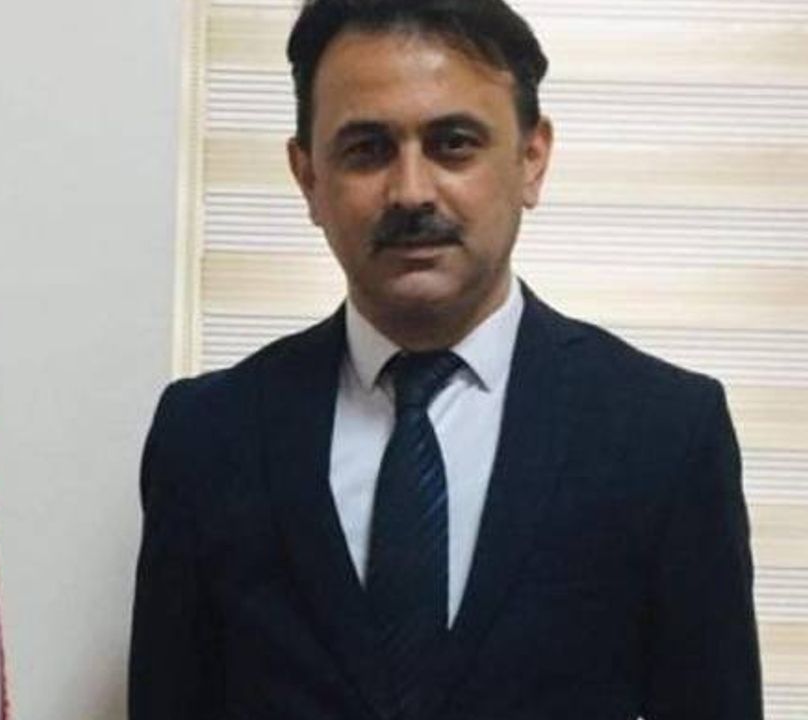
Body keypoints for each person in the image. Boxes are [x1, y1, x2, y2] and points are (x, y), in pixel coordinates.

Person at [128, 0, 763, 718]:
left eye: (453, 144)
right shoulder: (206, 436)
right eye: (366, 149)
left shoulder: (663, 433)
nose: (411, 191)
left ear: (532, 159)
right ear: (307, 178)